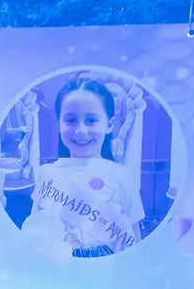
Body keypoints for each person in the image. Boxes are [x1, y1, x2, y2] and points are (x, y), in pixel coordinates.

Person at [24, 77, 144, 259]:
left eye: (91, 120)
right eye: (71, 120)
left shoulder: (123, 176)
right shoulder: (47, 173)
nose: (81, 130)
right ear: (58, 124)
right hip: (57, 267)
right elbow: (35, 229)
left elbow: (134, 241)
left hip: (107, 266)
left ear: (109, 124)